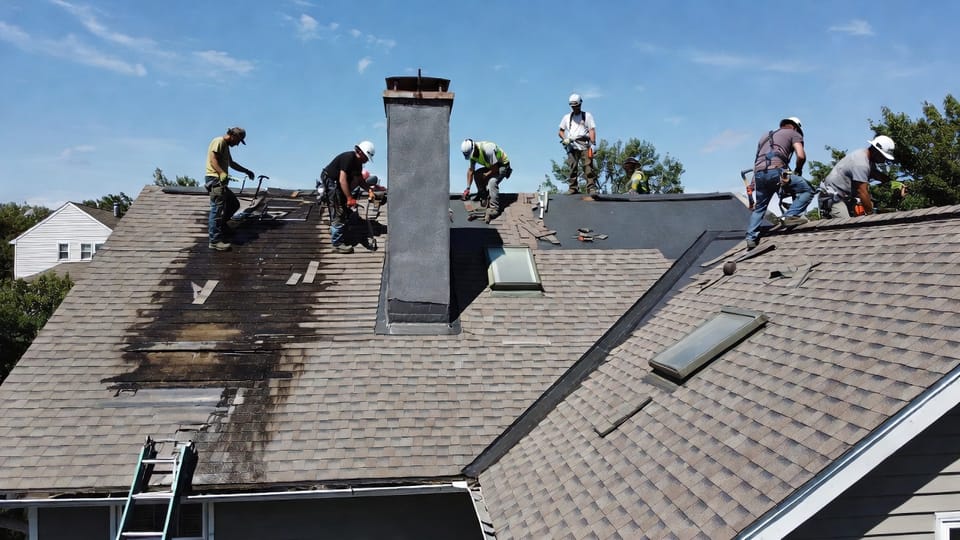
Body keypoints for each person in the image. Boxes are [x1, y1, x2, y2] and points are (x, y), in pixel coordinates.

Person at [744, 117, 815, 249]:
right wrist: (798, 170)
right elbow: (801, 155)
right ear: (795, 127)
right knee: (807, 189)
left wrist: (753, 184)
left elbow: (757, 162)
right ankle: (789, 216)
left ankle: (751, 238)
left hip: (759, 175)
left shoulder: (764, 137)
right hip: (777, 172)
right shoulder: (794, 133)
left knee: (760, 207)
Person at [819, 135, 897, 219]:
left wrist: (891, 182)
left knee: (857, 220)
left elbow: (874, 173)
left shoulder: (867, 158)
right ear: (876, 151)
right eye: (883, 156)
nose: (884, 160)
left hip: (845, 197)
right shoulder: (861, 163)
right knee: (847, 224)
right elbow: (862, 192)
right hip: (833, 198)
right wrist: (871, 216)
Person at [319, 141, 375, 254]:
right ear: (361, 152)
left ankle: (336, 228)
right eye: (366, 157)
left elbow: (359, 180)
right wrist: (349, 198)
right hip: (331, 181)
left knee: (344, 207)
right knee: (338, 209)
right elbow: (342, 179)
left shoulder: (358, 164)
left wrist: (369, 190)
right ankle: (337, 243)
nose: (367, 160)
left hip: (338, 183)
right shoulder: (349, 158)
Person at [205, 127, 255, 251]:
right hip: (215, 180)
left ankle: (222, 227)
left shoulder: (225, 147)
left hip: (220, 181)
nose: (237, 144)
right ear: (234, 136)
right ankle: (214, 241)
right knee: (216, 210)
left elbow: (231, 164)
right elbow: (213, 159)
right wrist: (221, 172)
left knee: (233, 204)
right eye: (238, 141)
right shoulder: (219, 141)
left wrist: (246, 171)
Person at [460, 139, 512, 223]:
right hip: (491, 166)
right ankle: (483, 196)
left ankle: (494, 208)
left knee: (492, 182)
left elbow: (495, 168)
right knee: (477, 174)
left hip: (502, 166)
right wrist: (467, 188)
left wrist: (486, 175)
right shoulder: (472, 154)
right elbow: (471, 171)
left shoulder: (487, 149)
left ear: (474, 148)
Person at [558, 93, 598, 195]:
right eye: (573, 106)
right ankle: (573, 188)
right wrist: (565, 139)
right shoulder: (567, 117)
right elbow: (560, 131)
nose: (574, 108)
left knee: (588, 167)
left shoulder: (587, 116)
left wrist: (593, 144)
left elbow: (592, 130)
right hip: (572, 145)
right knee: (572, 167)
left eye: (576, 106)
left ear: (580, 104)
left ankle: (591, 188)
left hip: (584, 144)